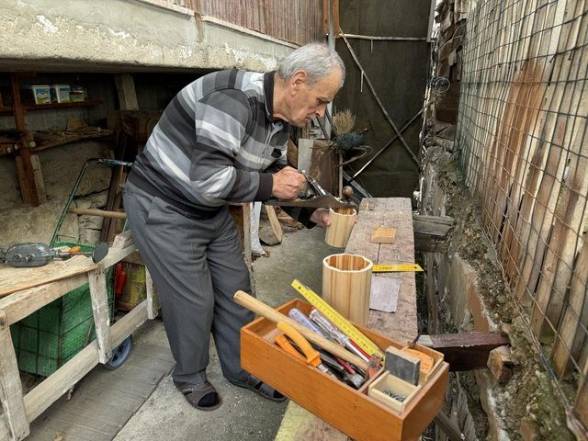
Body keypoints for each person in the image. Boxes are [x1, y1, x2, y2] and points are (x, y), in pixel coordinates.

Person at [122, 43, 345, 410]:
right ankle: (190, 376)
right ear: (298, 82)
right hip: (163, 205)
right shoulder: (232, 100)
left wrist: (309, 213)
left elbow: (264, 171)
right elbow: (210, 180)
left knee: (236, 288)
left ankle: (242, 368)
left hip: (206, 209)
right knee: (193, 300)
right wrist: (273, 185)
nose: (320, 113)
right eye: (320, 101)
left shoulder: (277, 119)